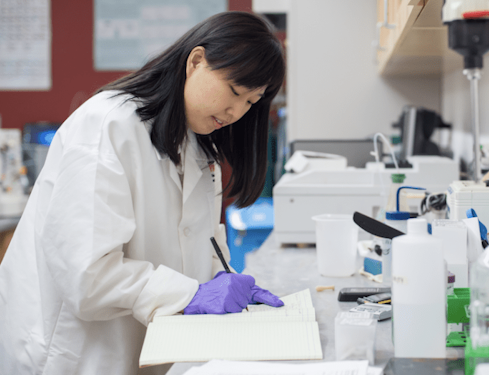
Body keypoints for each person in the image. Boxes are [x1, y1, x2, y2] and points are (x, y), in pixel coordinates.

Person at [0, 11, 285, 375]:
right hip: (72, 357)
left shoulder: (198, 149)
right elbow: (88, 277)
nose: (236, 111)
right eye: (233, 91)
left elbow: (199, 241)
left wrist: (220, 278)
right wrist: (191, 295)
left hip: (147, 353)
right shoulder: (107, 127)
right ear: (196, 61)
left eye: (251, 101)